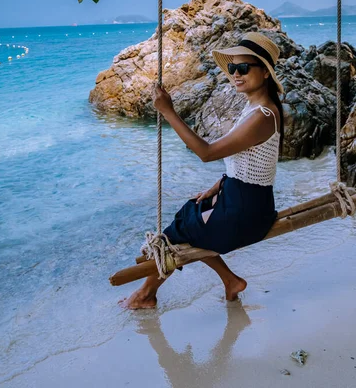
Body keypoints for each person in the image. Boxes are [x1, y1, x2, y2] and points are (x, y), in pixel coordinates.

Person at [119, 32, 284, 310]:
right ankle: (230, 281)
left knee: (177, 232)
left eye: (243, 68)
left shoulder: (262, 116)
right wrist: (221, 183)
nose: (236, 74)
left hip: (246, 213)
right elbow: (252, 162)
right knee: (190, 213)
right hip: (246, 201)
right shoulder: (255, 108)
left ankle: (146, 294)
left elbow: (206, 153)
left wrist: (169, 112)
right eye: (232, 68)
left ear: (265, 72)